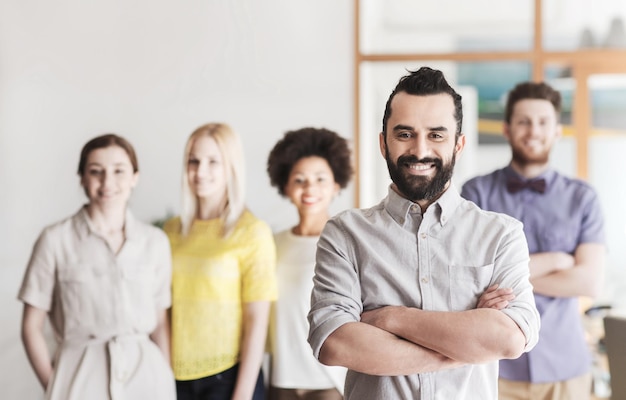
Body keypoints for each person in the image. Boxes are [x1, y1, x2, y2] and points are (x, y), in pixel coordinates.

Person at [307, 66, 541, 400]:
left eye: (436, 135)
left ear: (458, 144)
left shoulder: (501, 235)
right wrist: (465, 345)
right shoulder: (345, 234)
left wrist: (392, 319)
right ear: (383, 143)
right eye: (404, 134)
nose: (419, 150)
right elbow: (336, 344)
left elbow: (508, 339)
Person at [461, 81, 606, 400]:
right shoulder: (475, 194)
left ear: (557, 130)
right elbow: (471, 279)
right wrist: (556, 261)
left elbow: (589, 281)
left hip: (565, 368)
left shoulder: (582, 198)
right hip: (493, 365)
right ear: (507, 129)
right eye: (524, 121)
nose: (533, 130)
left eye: (543, 122)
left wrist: (507, 276)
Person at [19, 134, 176, 400]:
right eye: (96, 172)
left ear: (134, 177)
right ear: (82, 178)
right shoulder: (55, 240)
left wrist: (165, 379)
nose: (108, 182)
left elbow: (160, 321)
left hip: (146, 379)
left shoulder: (155, 242)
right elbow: (31, 326)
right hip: (78, 377)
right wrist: (54, 385)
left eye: (118, 171)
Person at [163, 122, 277, 400]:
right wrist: (163, 378)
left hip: (228, 379)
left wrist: (241, 395)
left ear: (231, 167)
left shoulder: (251, 232)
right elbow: (162, 312)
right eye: (194, 161)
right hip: (174, 379)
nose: (201, 171)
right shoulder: (170, 232)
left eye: (213, 162)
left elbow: (257, 321)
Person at [266, 127, 352, 400]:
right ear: (286, 186)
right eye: (299, 179)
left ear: (336, 185)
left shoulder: (347, 242)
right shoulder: (271, 242)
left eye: (320, 179)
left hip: (329, 382)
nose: (309, 188)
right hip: (280, 382)